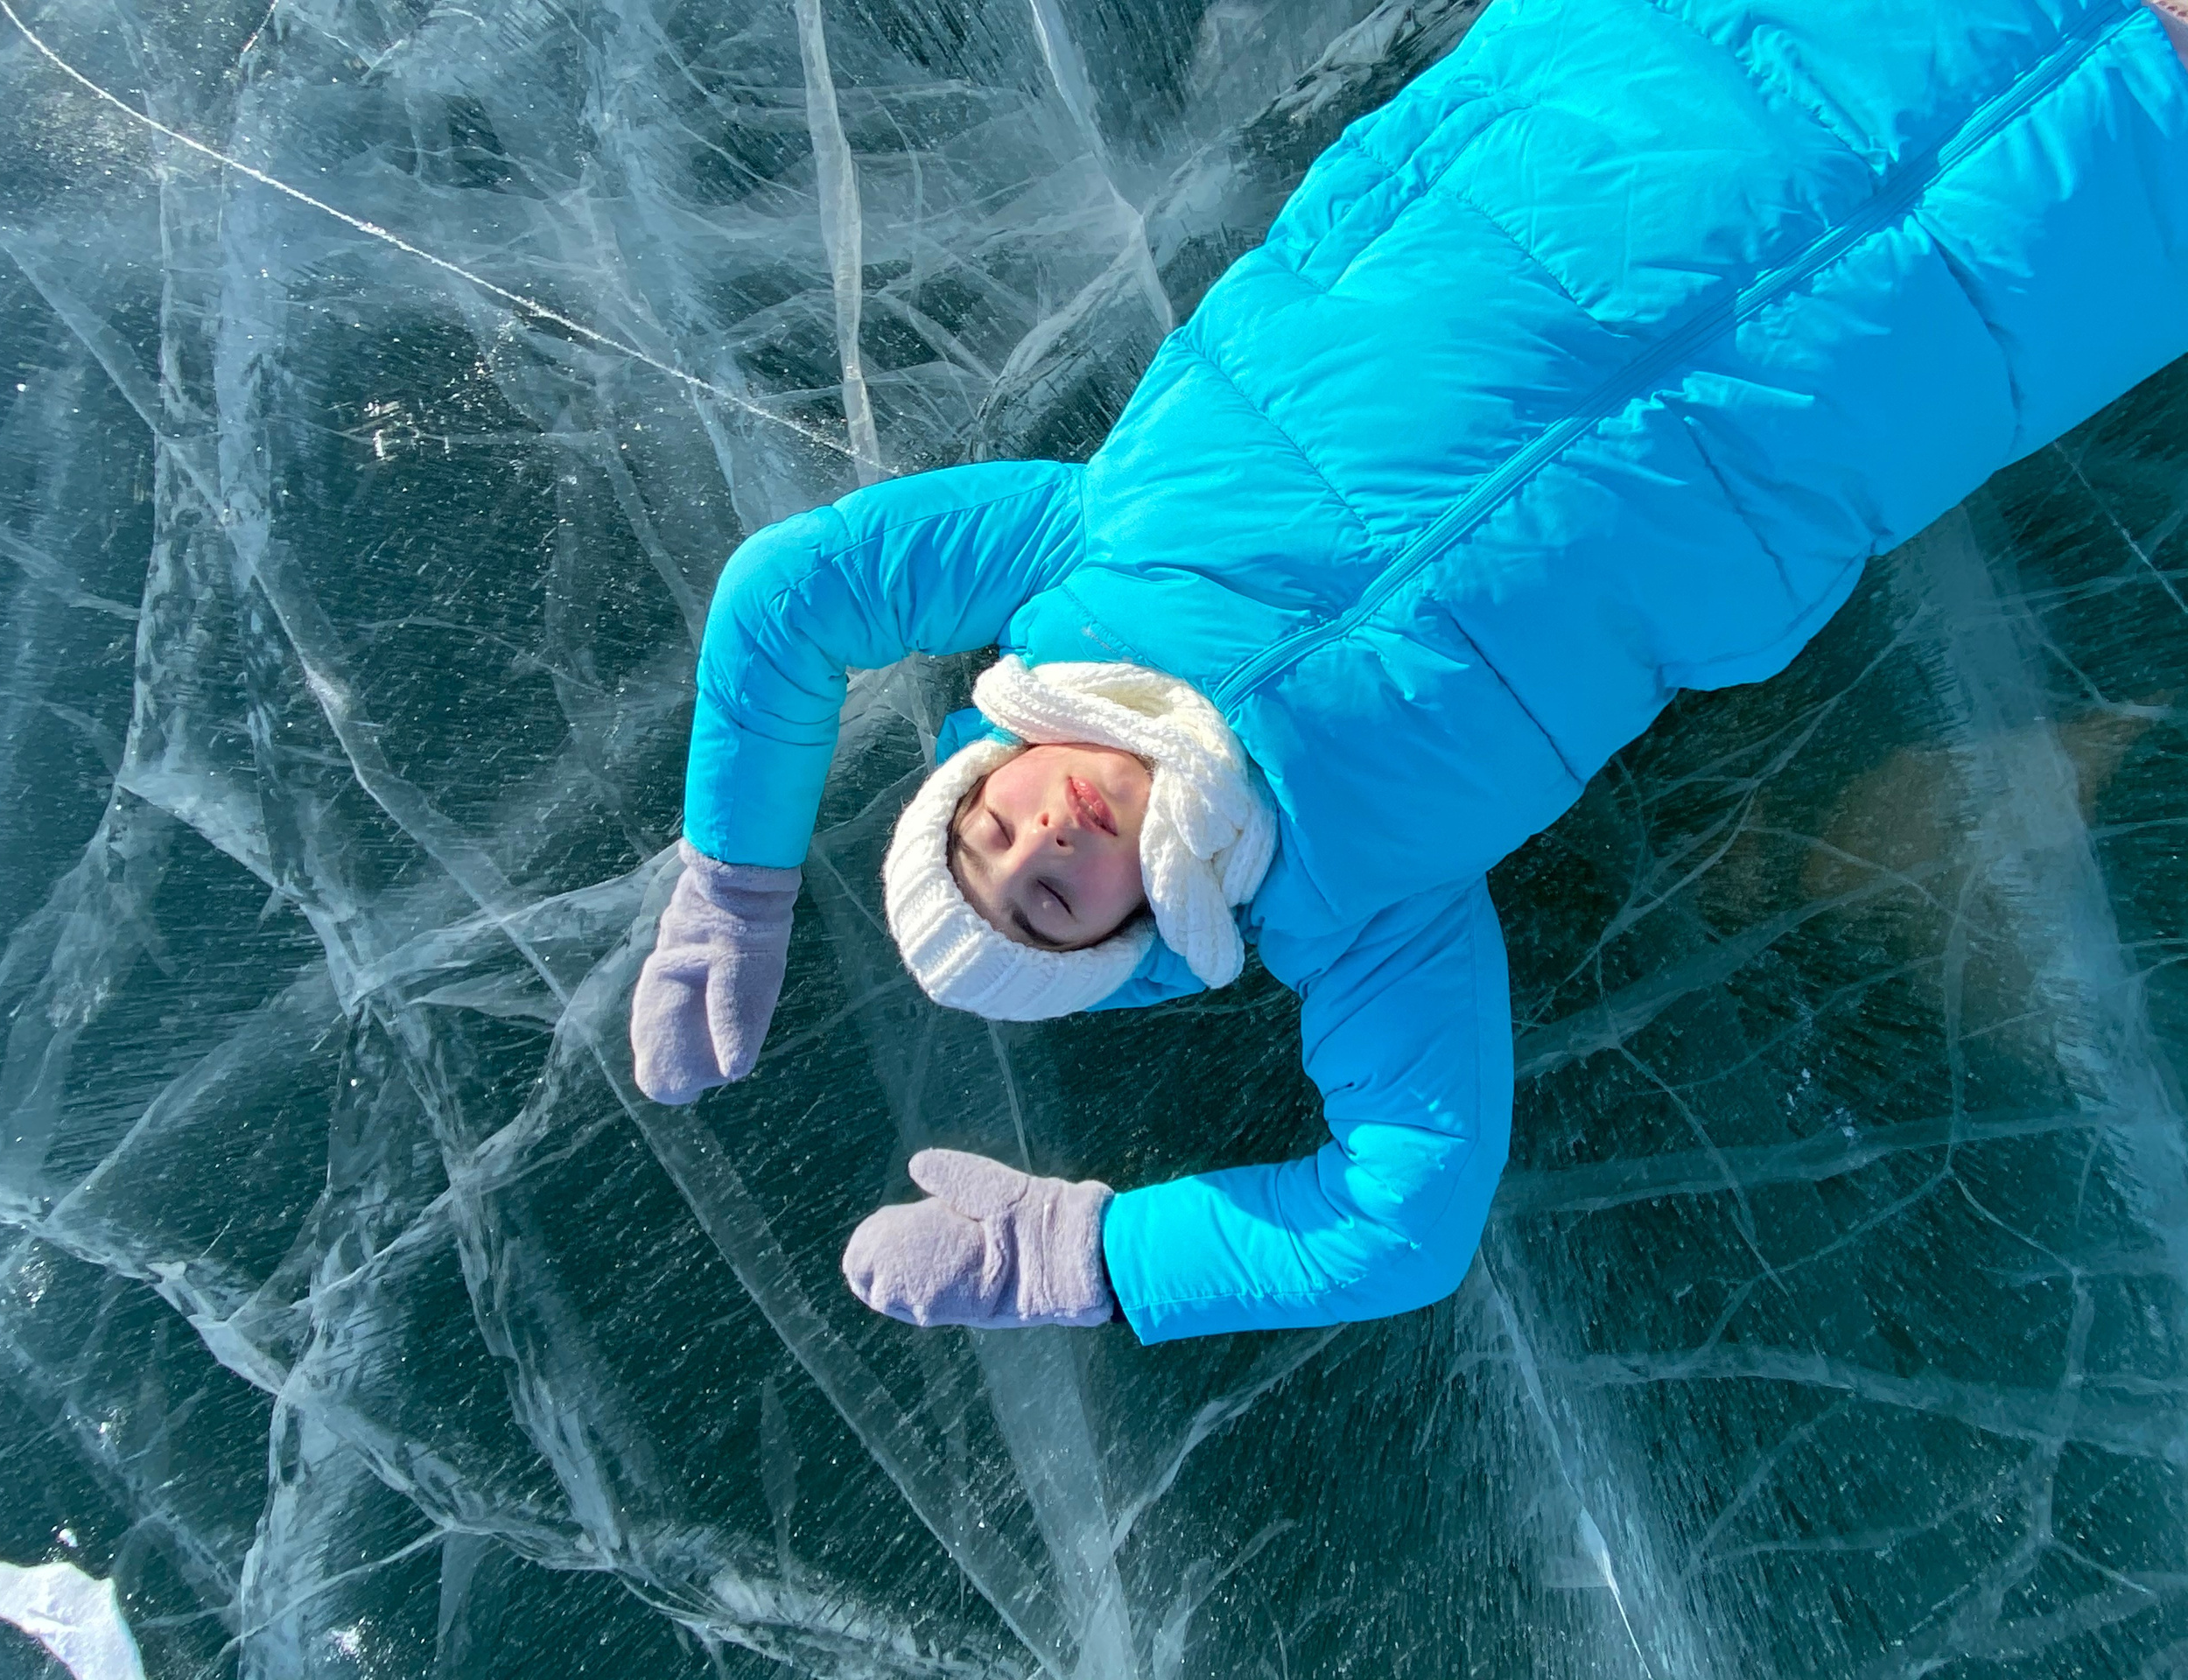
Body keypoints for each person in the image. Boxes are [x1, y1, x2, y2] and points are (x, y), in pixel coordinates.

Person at [632, 0, 2188, 1344]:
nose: (1041, 845)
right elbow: (1402, 1223)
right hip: (1948, 306)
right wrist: (1084, 1255)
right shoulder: (1359, 909)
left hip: (1662, 99)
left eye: (987, 828)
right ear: (1113, 947)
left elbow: (791, 597)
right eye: (1046, 903)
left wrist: (739, 877)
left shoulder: (1076, 558)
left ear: (986, 763)